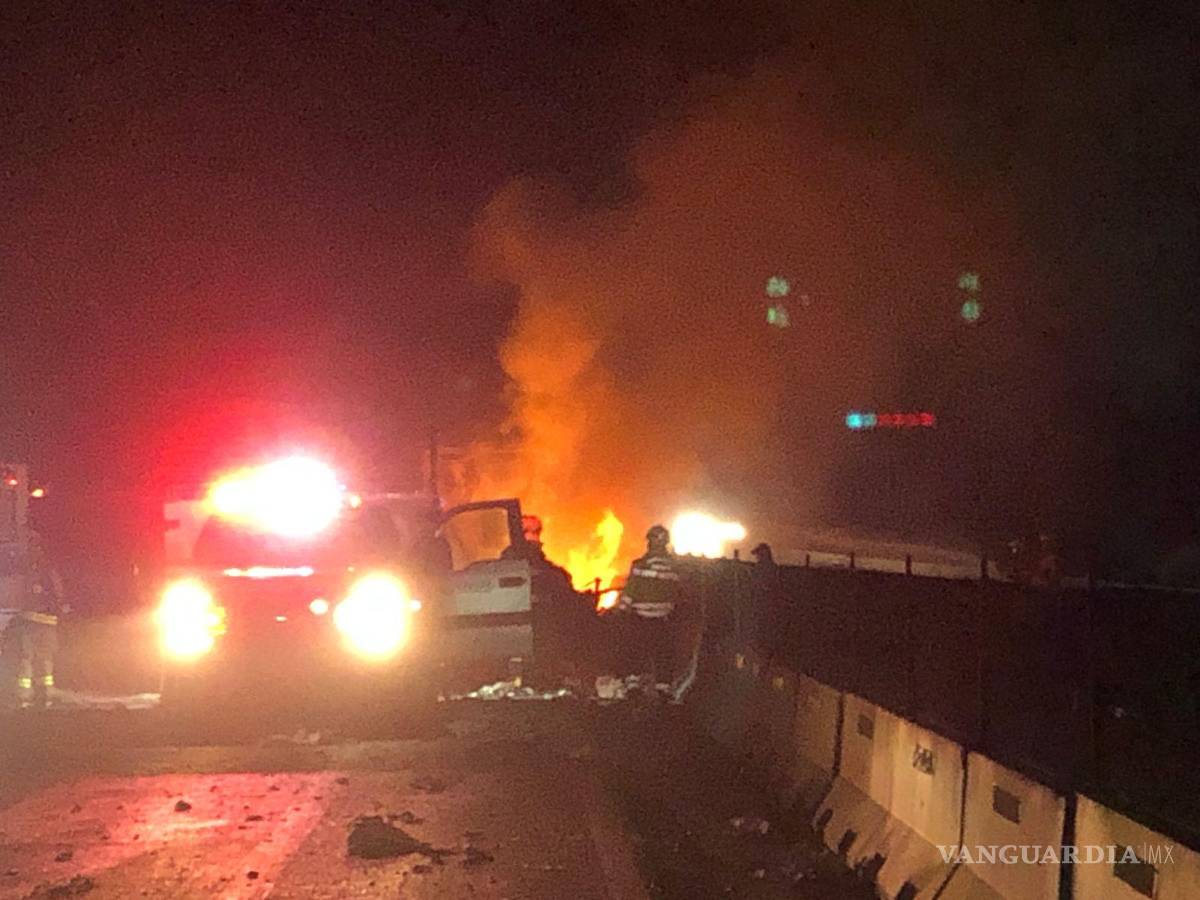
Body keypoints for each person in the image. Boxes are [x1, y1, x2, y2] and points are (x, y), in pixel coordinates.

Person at [619, 524, 693, 700]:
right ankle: (663, 688)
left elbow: (631, 590)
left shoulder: (640, 565)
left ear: (651, 542)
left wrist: (621, 609)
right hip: (664, 620)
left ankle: (633, 687)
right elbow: (678, 593)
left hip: (640, 618)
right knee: (663, 654)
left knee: (635, 651)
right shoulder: (675, 568)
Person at [15, 535, 66, 709]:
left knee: (33, 658)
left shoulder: (38, 572)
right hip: (38, 622)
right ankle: (39, 693)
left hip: (38, 622)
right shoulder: (43, 571)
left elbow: (56, 596)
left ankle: (34, 694)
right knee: (35, 658)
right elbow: (59, 597)